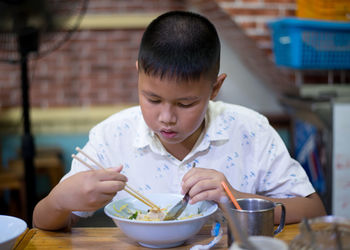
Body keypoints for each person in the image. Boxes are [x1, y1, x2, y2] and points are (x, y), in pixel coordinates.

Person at [33, 10, 326, 230]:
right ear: (138, 74)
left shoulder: (251, 131)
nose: (166, 118)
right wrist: (59, 201)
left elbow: (314, 210)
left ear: (215, 88)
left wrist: (235, 200)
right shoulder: (112, 136)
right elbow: (41, 223)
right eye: (153, 99)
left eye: (186, 103)